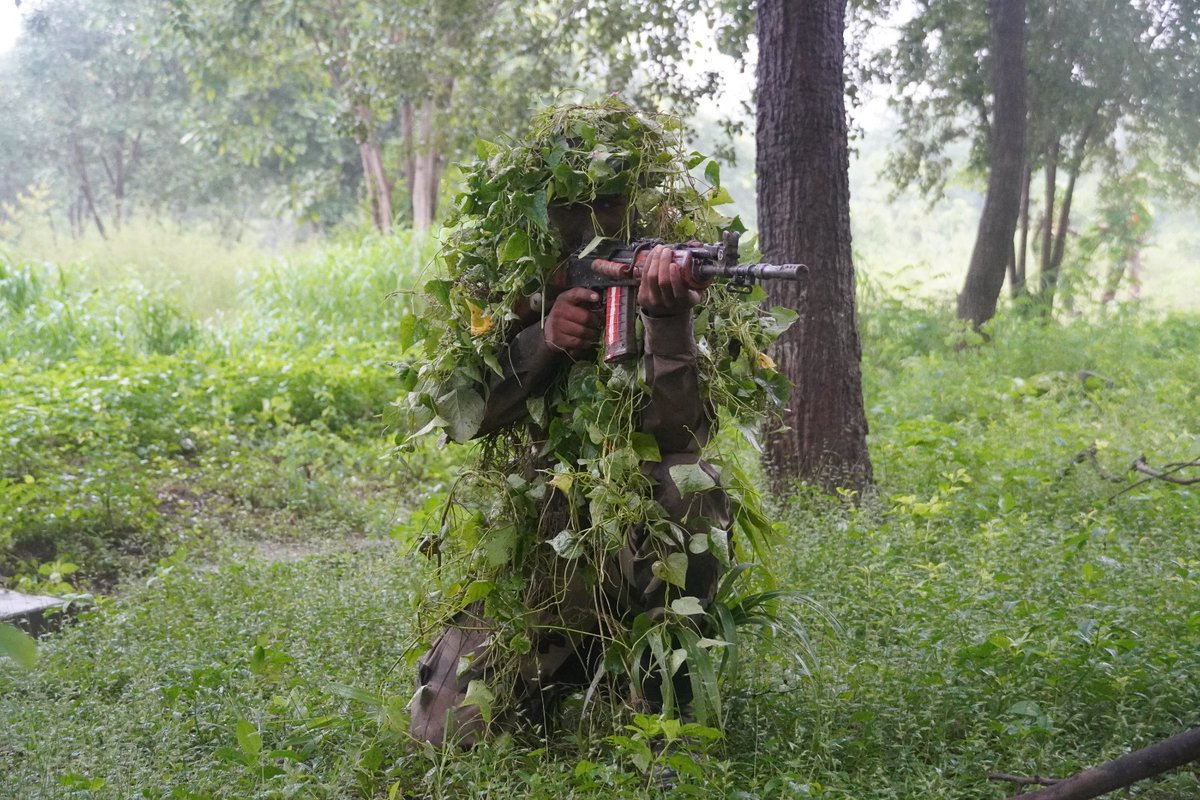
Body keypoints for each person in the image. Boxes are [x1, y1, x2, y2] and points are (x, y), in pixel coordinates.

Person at [399, 101, 785, 746]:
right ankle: (565, 677)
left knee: (688, 481)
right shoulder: (507, 275)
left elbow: (678, 436)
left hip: (636, 552)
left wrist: (668, 325)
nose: (591, 225)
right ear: (536, 212)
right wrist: (543, 339)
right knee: (442, 734)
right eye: (570, 208)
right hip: (540, 557)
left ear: (637, 201)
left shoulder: (676, 273)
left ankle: (666, 710)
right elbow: (464, 417)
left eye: (608, 203)